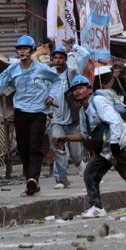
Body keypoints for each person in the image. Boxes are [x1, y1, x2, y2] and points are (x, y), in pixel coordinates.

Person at [53, 76, 126, 218]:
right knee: (90, 174)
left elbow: (114, 122)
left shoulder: (98, 101)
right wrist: (66, 138)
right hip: (105, 149)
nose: (77, 92)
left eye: (81, 88)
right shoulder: (82, 112)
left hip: (121, 143)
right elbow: (85, 134)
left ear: (89, 90)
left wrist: (115, 144)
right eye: (74, 90)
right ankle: (96, 207)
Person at [0, 35, 60, 196]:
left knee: (35, 146)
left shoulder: (42, 69)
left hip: (39, 112)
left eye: (25, 48)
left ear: (31, 51)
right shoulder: (13, 70)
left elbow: (58, 81)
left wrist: (51, 96)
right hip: (21, 112)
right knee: (23, 148)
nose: (22, 51)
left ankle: (33, 178)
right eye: (19, 49)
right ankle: (31, 182)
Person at [46, 45, 89, 189]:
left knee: (76, 155)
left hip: (72, 120)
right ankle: (60, 179)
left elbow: (86, 55)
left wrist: (74, 47)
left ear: (65, 59)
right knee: (59, 147)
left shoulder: (72, 73)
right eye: (56, 58)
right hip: (56, 120)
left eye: (61, 57)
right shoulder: (49, 75)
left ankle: (83, 168)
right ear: (52, 59)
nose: (58, 60)